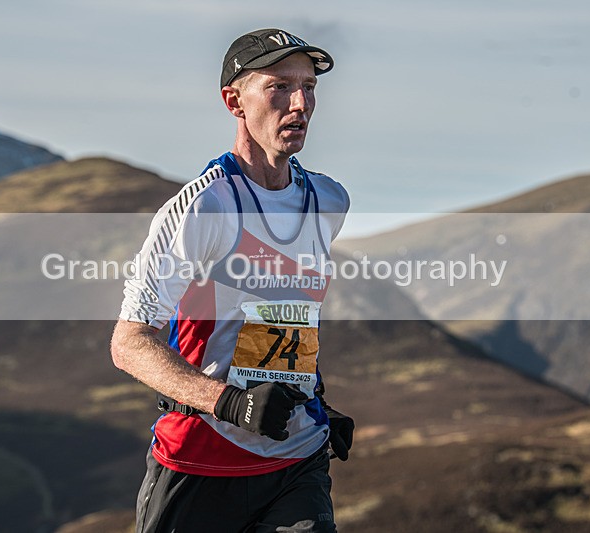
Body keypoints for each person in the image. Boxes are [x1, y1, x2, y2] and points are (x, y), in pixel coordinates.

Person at [111, 28, 354, 533]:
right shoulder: (206, 207)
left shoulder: (329, 202)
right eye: (279, 87)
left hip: (298, 458)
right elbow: (129, 343)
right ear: (234, 101)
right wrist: (230, 402)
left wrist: (314, 398)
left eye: (309, 86)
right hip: (201, 461)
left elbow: (286, 313)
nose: (301, 103)